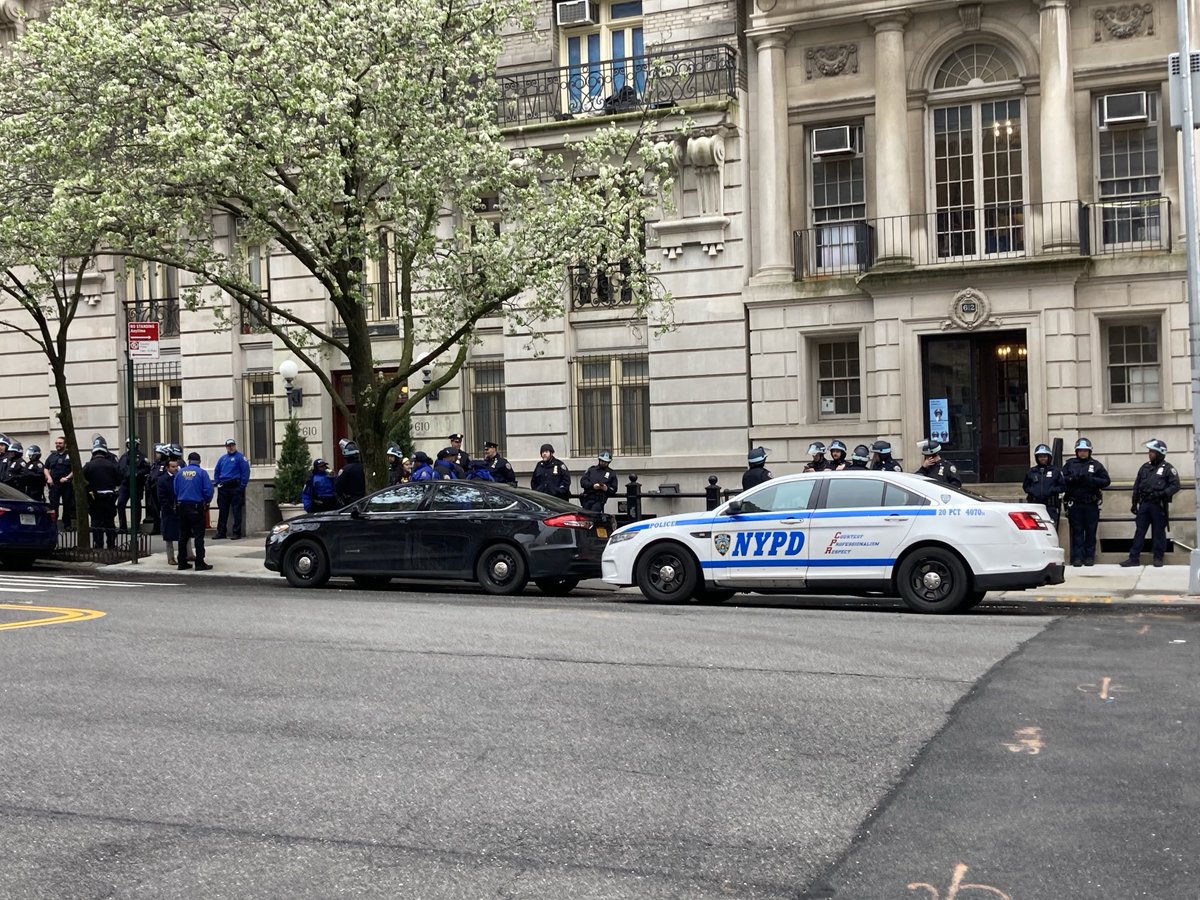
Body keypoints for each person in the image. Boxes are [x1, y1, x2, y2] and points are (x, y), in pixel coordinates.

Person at [1120, 438, 1181, 568]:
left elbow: (1175, 485)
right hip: (1144, 504)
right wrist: (1134, 502)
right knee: (1139, 531)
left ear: (1159, 453)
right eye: (1149, 451)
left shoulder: (1168, 468)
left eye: (1152, 451)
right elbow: (1137, 485)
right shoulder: (1145, 467)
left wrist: (1163, 493)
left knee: (1159, 532)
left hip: (1158, 505)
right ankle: (1133, 558)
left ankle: (1158, 557)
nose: (1149, 453)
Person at [1061, 437, 1111, 567]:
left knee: (1090, 531)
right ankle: (1077, 557)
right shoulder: (1070, 464)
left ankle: (1089, 557)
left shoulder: (1096, 465)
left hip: (1091, 504)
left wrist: (1092, 480)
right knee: (1077, 531)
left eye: (1085, 450)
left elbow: (1106, 481)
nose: (1083, 453)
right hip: (1075, 503)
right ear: (1076, 451)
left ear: (1090, 452)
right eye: (1080, 450)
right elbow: (1061, 479)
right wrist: (1072, 478)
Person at [174, 451, 214, 570]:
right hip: (196, 507)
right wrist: (206, 502)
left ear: (188, 461)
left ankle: (181, 562)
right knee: (198, 536)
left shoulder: (180, 473)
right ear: (199, 461)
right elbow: (208, 490)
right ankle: (199, 563)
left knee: (183, 536)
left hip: (182, 506)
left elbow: (175, 489)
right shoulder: (201, 473)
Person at [82, 436, 120, 549]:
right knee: (110, 523)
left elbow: (82, 481)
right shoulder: (112, 465)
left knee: (96, 523)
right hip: (109, 498)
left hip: (94, 499)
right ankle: (111, 544)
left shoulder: (88, 466)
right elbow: (119, 480)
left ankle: (98, 544)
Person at [212, 437, 250, 539]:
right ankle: (221, 532)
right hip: (223, 487)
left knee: (236, 510)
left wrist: (241, 486)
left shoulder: (240, 458)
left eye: (232, 445)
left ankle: (236, 532)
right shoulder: (223, 458)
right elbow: (216, 471)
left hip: (235, 486)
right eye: (228, 446)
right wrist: (218, 483)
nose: (231, 447)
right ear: (226, 447)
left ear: (235, 446)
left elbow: (245, 472)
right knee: (223, 510)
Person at [1023, 443, 1064, 528]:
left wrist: (1052, 490)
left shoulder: (1055, 471)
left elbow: (1063, 487)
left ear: (1048, 457)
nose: (1043, 458)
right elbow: (1025, 486)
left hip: (1049, 506)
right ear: (1037, 458)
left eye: (1045, 456)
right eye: (1040, 456)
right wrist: (1033, 490)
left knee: (1050, 529)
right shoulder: (1032, 471)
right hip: (1034, 505)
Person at [116, 438, 150, 533]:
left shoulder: (142, 457)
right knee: (120, 504)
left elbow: (147, 469)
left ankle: (136, 527)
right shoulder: (124, 456)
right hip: (125, 484)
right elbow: (120, 469)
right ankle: (123, 526)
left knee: (136, 506)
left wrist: (137, 473)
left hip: (137, 485)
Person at [157, 455, 181, 566]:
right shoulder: (162, 480)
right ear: (167, 467)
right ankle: (170, 557)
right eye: (173, 466)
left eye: (176, 466)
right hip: (168, 510)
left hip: (180, 508)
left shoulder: (180, 477)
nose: (175, 468)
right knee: (169, 536)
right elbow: (162, 497)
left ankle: (185, 555)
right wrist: (170, 507)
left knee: (183, 533)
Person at [44, 436, 74, 527]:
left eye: (60, 443)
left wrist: (67, 478)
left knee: (67, 504)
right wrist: (48, 477)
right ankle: (53, 524)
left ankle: (67, 524)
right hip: (54, 484)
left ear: (65, 444)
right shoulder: (52, 456)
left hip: (66, 484)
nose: (58, 445)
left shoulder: (70, 455)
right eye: (56, 443)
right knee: (54, 505)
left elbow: (75, 469)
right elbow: (46, 468)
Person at [144, 444, 170, 535]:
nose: (156, 455)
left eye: (158, 453)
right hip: (153, 490)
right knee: (155, 511)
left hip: (160, 490)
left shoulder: (166, 464)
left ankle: (164, 528)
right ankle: (156, 528)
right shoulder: (155, 464)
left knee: (163, 510)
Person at [334, 439, 366, 505]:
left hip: (349, 502)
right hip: (363, 499)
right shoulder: (363, 467)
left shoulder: (345, 470)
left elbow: (338, 486)